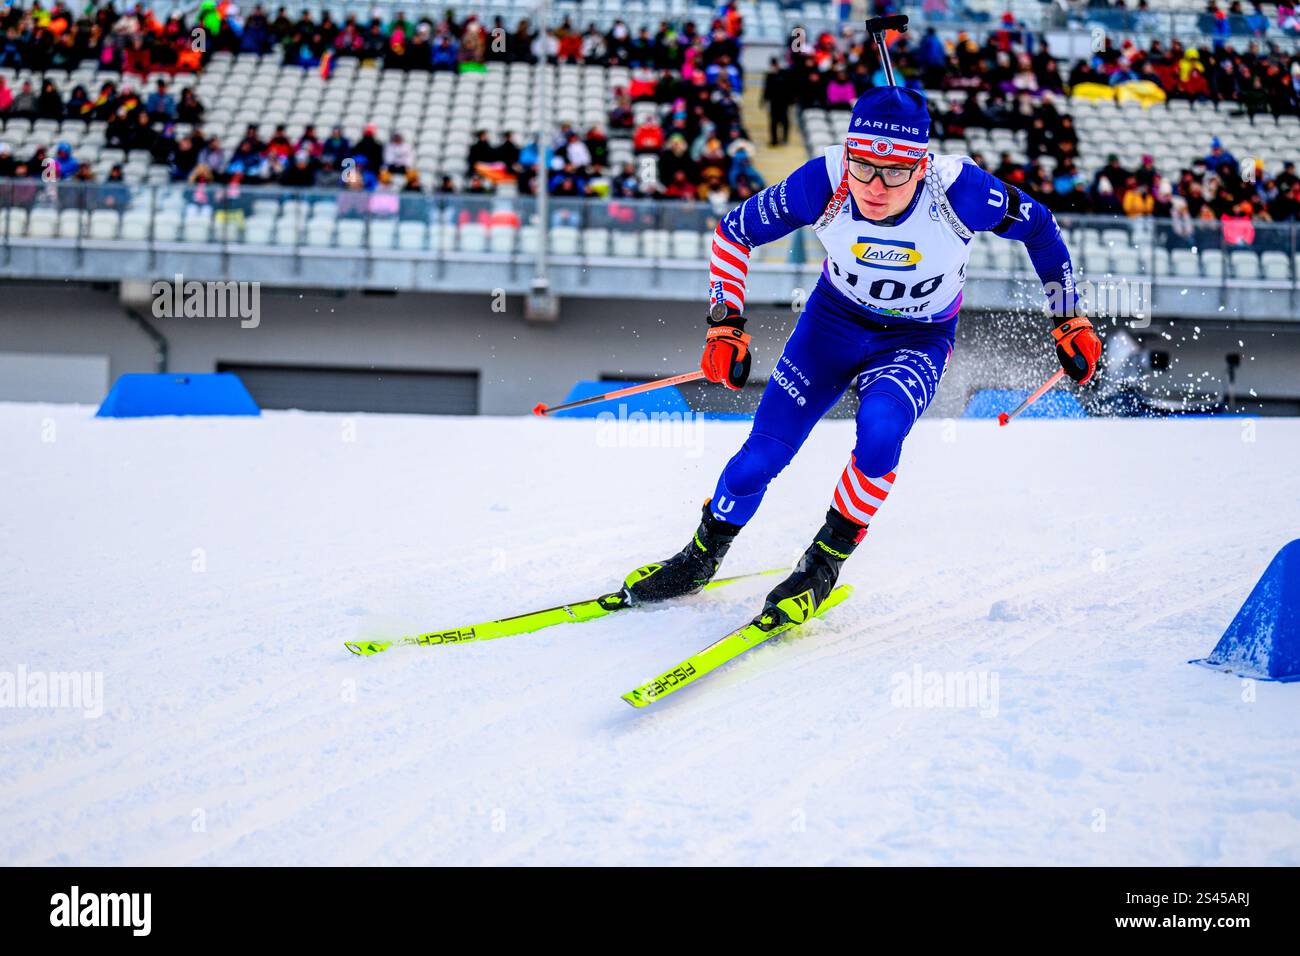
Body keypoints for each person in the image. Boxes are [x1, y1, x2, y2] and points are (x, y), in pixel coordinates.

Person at [620, 85, 1101, 626]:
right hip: (832, 326)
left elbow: (1040, 228)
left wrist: (1068, 317)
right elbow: (734, 233)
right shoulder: (823, 182)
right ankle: (701, 555)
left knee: (880, 430)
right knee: (762, 455)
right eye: (863, 166)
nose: (874, 186)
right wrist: (724, 324)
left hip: (916, 338)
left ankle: (823, 562)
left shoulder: (960, 191)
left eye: (894, 172)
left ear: (921, 166)